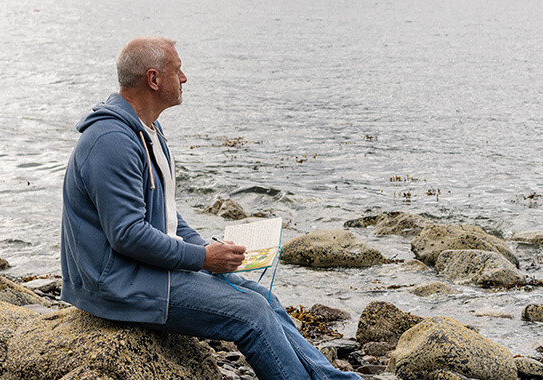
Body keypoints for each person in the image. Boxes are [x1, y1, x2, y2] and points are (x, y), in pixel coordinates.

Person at [60, 36, 362, 380]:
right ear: (154, 79)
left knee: (263, 298)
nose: (185, 78)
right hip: (118, 285)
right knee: (252, 315)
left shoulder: (147, 131)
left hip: (142, 272)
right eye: (178, 70)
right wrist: (202, 259)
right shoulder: (111, 141)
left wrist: (209, 248)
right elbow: (127, 235)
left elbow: (166, 217)